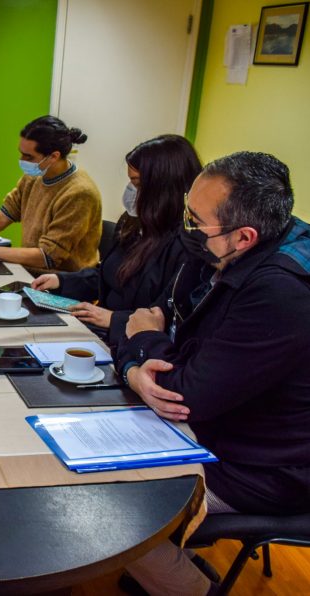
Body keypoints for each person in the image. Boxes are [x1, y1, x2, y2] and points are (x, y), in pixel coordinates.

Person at [114, 152, 310, 594]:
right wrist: (135, 364)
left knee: (117, 506)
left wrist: (143, 343)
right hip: (233, 428)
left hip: (264, 466)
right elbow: (161, 318)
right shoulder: (244, 246)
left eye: (196, 220)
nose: (187, 227)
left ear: (244, 236)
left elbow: (181, 394)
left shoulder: (281, 292)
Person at [31, 134, 201, 343]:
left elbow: (166, 318)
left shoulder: (186, 246)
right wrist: (61, 280)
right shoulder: (133, 223)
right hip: (99, 330)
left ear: (163, 187)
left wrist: (114, 319)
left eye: (137, 183)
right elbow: (109, 274)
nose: (131, 191)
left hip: (132, 344)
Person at [0, 115, 102, 273]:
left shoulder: (79, 194)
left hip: (63, 283)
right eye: (21, 153)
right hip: (31, 272)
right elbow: (0, 219)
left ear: (53, 156)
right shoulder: (34, 177)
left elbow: (47, 256)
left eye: (28, 156)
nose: (22, 159)